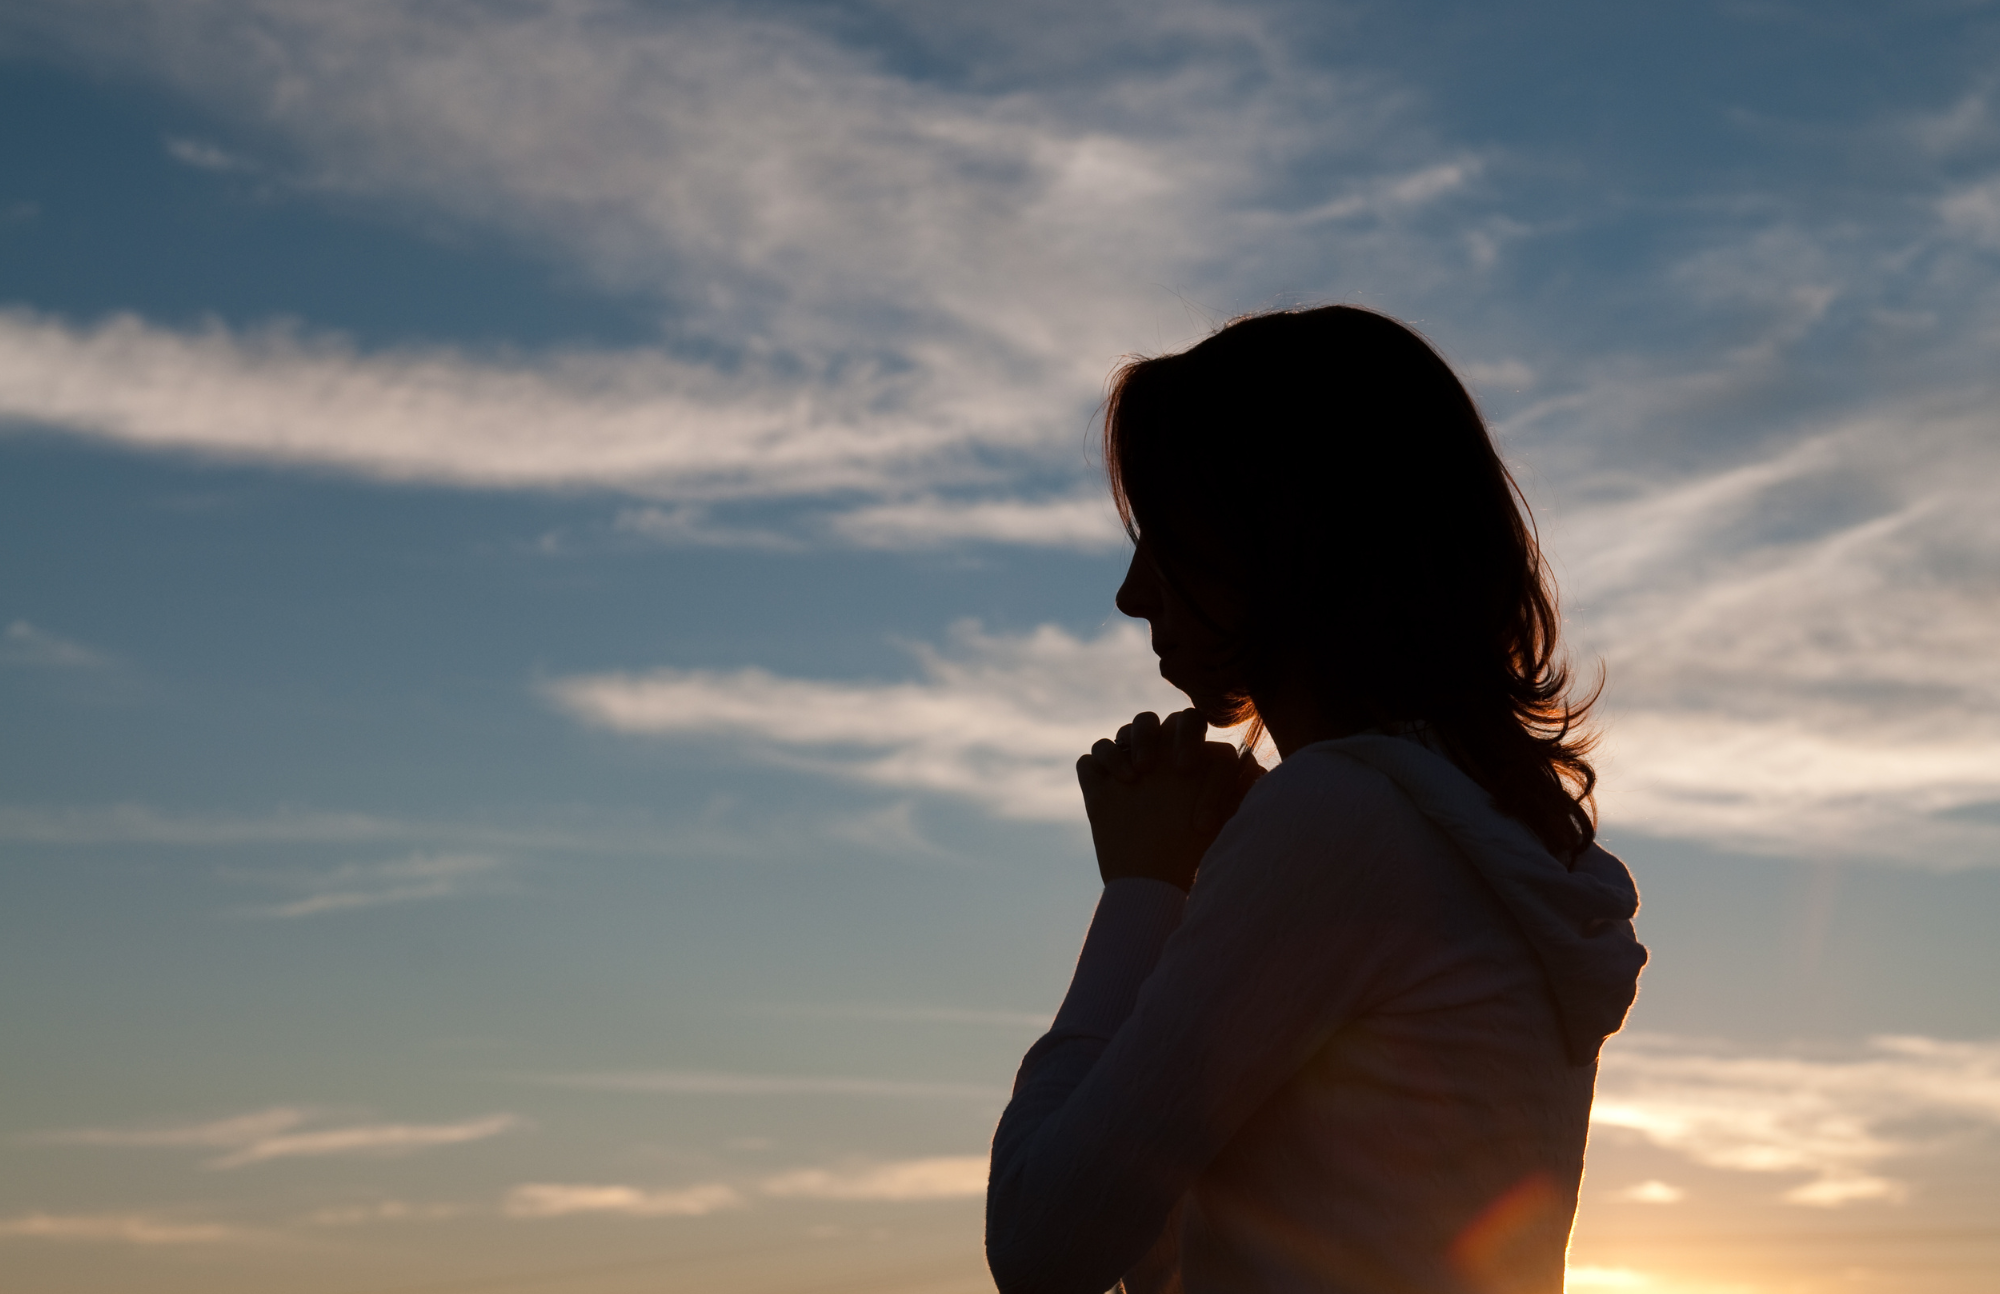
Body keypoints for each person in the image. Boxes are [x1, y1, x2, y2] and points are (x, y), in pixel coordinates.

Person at [985, 306, 1648, 1294]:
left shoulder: (1335, 823)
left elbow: (1047, 1238)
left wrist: (1141, 885)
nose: (1132, 593)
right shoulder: (1474, 826)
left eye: (1167, 541)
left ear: (1277, 541)